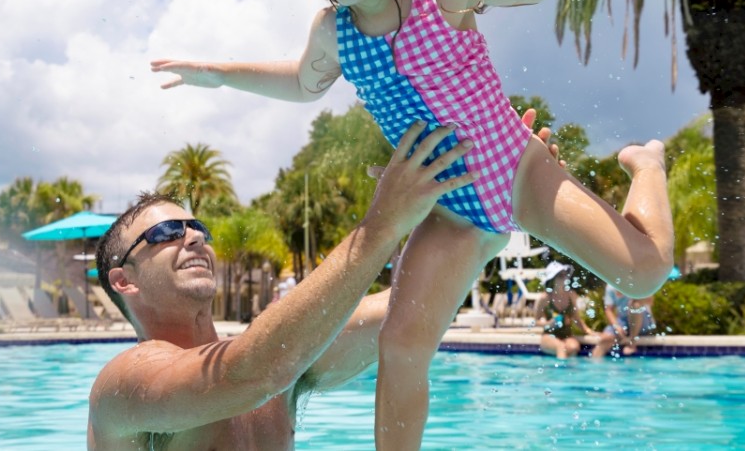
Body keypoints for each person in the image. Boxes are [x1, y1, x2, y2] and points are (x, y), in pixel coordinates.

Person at [150, 0, 675, 449]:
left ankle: (647, 163)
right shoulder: (334, 32)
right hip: (450, 207)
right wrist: (219, 72)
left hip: (516, 165)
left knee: (643, 274)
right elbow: (300, 83)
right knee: (401, 344)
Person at [87, 122, 473, 450]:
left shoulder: (280, 355)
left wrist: (487, 203)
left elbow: (411, 308)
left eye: (197, 228)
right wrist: (382, 224)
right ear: (125, 281)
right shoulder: (123, 385)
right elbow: (253, 374)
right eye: (166, 232)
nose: (194, 238)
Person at [534, 262, 596, 359]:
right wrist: (548, 324)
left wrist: (588, 331)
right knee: (560, 347)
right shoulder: (545, 298)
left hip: (567, 335)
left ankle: (569, 371)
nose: (564, 277)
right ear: (552, 279)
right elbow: (536, 321)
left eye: (565, 274)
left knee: (574, 347)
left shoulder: (571, 295)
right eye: (560, 275)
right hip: (549, 335)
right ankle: (561, 373)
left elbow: (576, 318)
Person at [591, 283, 656, 359]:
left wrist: (636, 296)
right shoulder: (611, 285)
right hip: (623, 320)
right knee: (605, 339)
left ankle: (632, 342)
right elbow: (608, 309)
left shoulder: (638, 280)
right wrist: (616, 326)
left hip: (643, 319)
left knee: (635, 305)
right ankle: (593, 366)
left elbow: (650, 301)